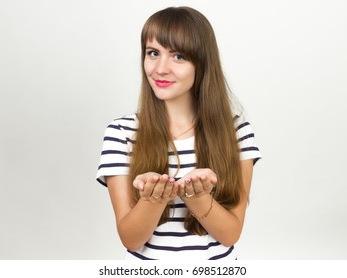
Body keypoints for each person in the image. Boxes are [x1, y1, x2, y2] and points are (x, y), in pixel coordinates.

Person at [96, 6, 261, 260]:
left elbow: (230, 234)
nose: (160, 69)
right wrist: (153, 198)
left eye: (178, 56)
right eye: (153, 53)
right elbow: (130, 239)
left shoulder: (237, 132)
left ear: (201, 63)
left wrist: (197, 196)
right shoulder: (121, 133)